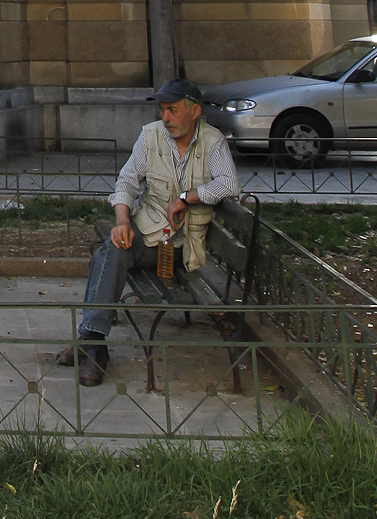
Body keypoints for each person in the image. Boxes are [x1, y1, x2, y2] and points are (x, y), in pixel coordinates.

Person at [57, 77, 240, 385]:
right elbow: (127, 182)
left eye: (172, 110)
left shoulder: (213, 141)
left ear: (195, 111)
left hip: (184, 247)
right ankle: (95, 344)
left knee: (104, 256)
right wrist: (123, 222)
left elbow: (229, 184)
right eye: (162, 110)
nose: (165, 118)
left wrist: (187, 198)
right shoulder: (150, 136)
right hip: (149, 233)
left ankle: (89, 342)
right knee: (114, 246)